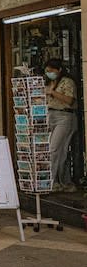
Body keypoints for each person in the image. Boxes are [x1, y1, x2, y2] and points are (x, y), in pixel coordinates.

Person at [45, 59, 78, 193]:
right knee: (60, 151)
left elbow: (69, 100)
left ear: (58, 70)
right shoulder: (49, 82)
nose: (49, 73)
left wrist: (52, 92)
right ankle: (63, 182)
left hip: (64, 116)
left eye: (51, 71)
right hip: (51, 115)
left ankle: (50, 182)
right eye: (47, 71)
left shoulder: (67, 82)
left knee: (54, 149)